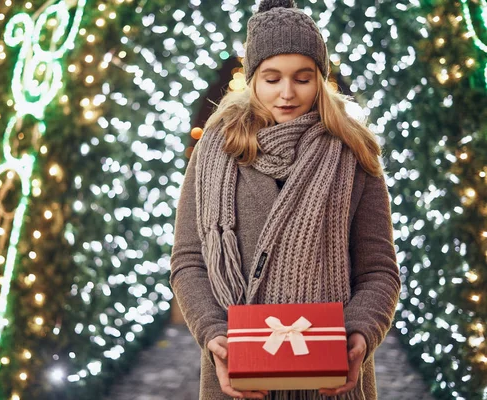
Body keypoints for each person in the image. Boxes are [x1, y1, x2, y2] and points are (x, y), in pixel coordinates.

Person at [169, 0, 401, 399]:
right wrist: (212, 333)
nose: (287, 94)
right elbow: (189, 261)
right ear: (254, 79)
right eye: (272, 78)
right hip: (237, 375)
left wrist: (361, 332)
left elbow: (379, 271)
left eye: (303, 78)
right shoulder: (215, 151)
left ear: (321, 80)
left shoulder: (353, 153)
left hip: (330, 377)